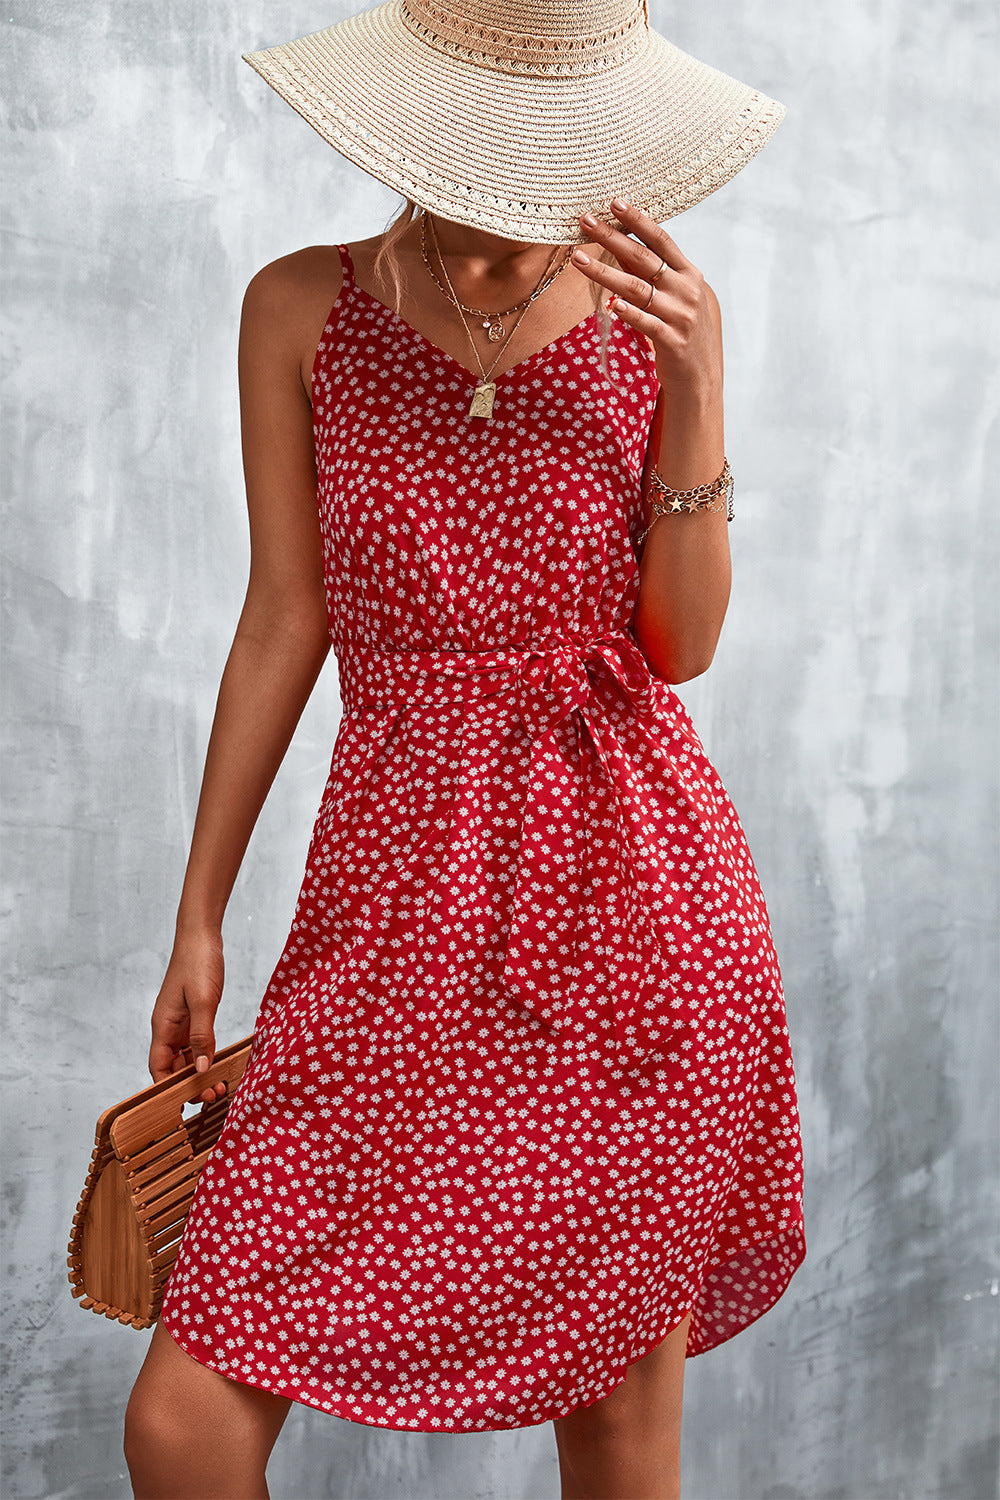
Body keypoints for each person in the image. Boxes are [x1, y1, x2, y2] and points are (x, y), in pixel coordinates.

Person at [121, 2, 806, 1496]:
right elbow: (283, 621)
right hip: (389, 897)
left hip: (628, 904)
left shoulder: (648, 311)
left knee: (617, 1418)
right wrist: (198, 916)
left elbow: (679, 649)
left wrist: (696, 392)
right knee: (182, 1419)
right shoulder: (299, 308)